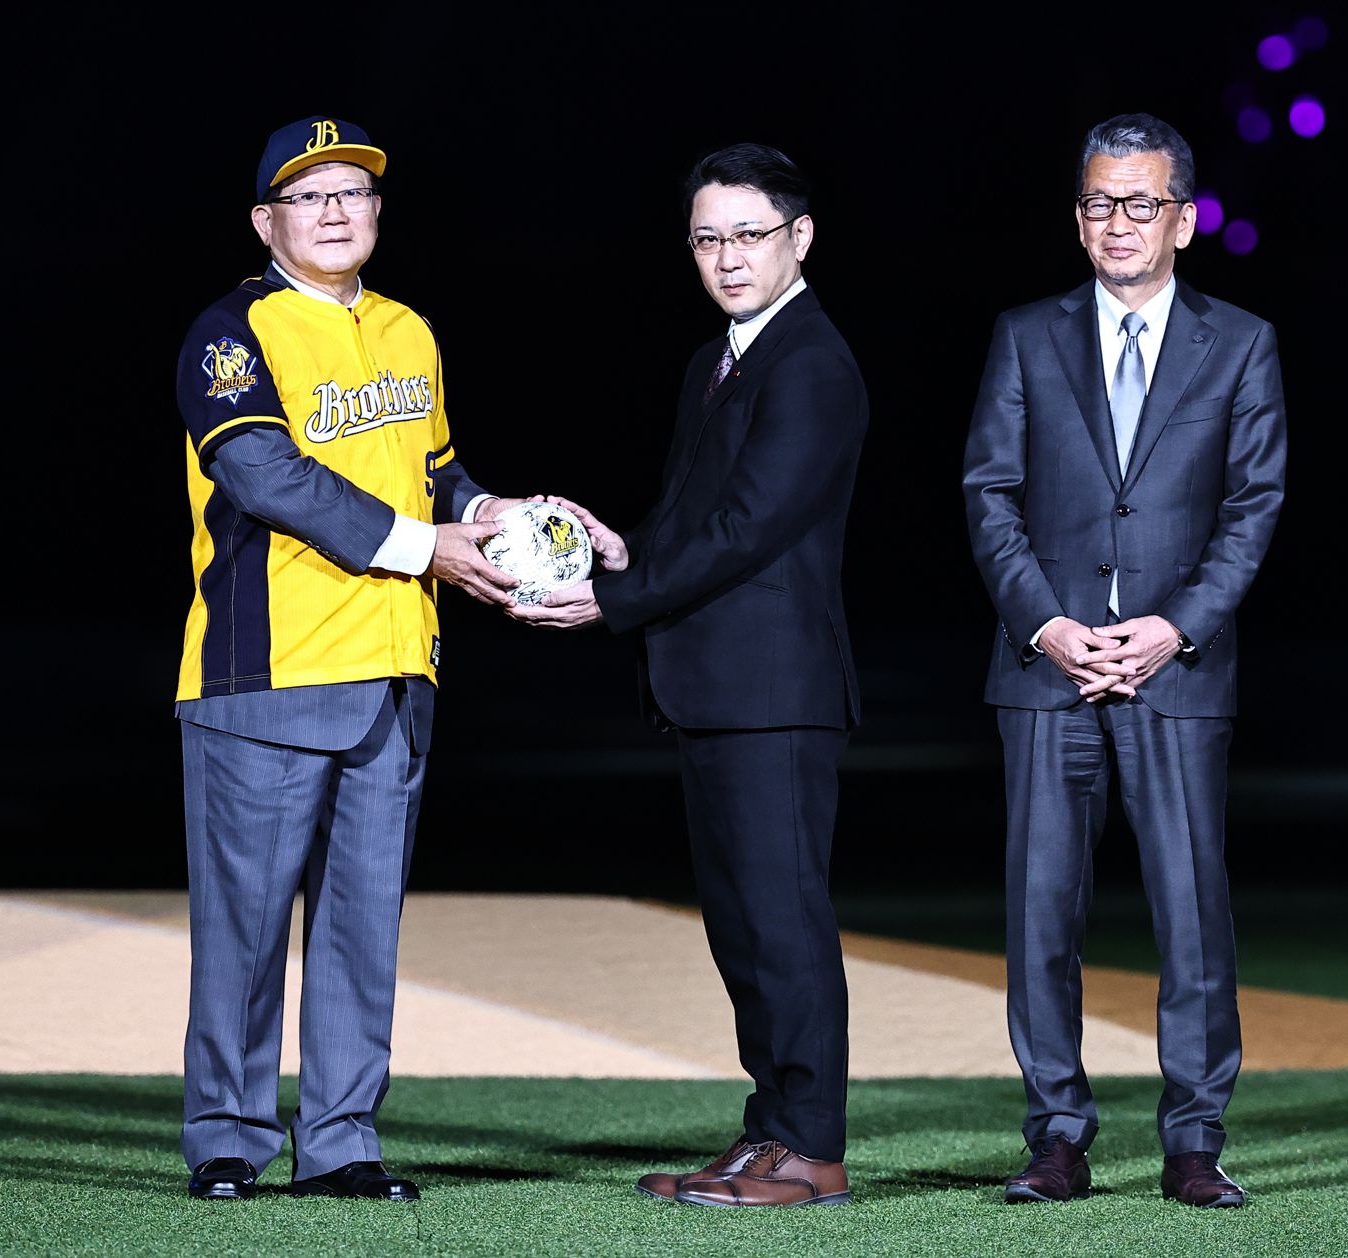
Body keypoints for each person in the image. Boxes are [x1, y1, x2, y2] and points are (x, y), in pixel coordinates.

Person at [173, 115, 523, 1202]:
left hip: (394, 670)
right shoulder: (231, 332)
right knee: (245, 932)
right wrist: (428, 545)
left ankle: (340, 1142)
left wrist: (489, 513)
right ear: (264, 221)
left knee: (364, 930)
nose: (335, 211)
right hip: (265, 676)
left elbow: (437, 473)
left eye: (353, 192)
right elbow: (266, 477)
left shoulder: (410, 331)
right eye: (309, 194)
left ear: (377, 212)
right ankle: (229, 1138)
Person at [511, 143, 868, 1208]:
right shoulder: (721, 359)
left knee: (783, 921)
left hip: (774, 694)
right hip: (719, 689)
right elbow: (693, 518)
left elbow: (750, 527)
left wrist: (614, 600)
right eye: (707, 238)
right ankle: (770, 1131)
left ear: (801, 238)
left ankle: (811, 1148)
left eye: (749, 234)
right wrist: (620, 553)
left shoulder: (811, 362)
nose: (727, 257)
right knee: (743, 927)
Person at [962, 113, 1286, 1209]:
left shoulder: (1241, 342)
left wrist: (1172, 628)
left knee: (1191, 914)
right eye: (1100, 203)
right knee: (1039, 913)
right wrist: (1047, 626)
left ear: (1183, 221)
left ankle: (1193, 1141)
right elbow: (988, 494)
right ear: (1077, 216)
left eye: (1141, 204)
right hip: (1045, 671)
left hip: (1175, 673)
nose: (1118, 223)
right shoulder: (1025, 334)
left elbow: (1253, 507)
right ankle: (1056, 1135)